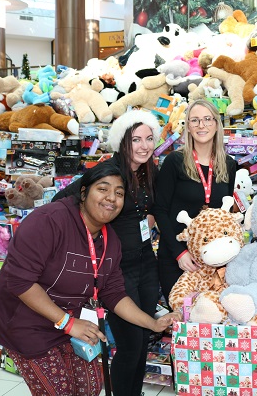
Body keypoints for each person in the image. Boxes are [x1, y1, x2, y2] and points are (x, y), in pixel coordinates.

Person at [0, 163, 179, 396]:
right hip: (25, 322)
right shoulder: (48, 221)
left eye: (119, 193)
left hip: (71, 324)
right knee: (59, 391)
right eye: (103, 189)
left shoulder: (110, 240)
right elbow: (20, 282)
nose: (111, 198)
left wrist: (153, 323)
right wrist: (67, 322)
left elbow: (113, 292)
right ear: (84, 192)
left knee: (90, 387)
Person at [52, 110, 162, 396]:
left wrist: (147, 218)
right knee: (130, 346)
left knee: (142, 343)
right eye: (136, 139)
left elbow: (149, 209)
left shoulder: (150, 171)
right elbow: (61, 202)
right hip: (116, 272)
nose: (144, 146)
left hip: (146, 265)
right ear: (122, 141)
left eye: (149, 139)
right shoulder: (109, 172)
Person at [153, 99, 237, 303]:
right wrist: (179, 253)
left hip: (214, 261)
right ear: (188, 127)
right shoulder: (175, 161)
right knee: (182, 317)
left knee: (211, 319)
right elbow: (160, 210)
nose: (202, 125)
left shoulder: (228, 164)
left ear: (217, 124)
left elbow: (225, 215)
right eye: (195, 120)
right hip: (178, 259)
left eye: (208, 119)